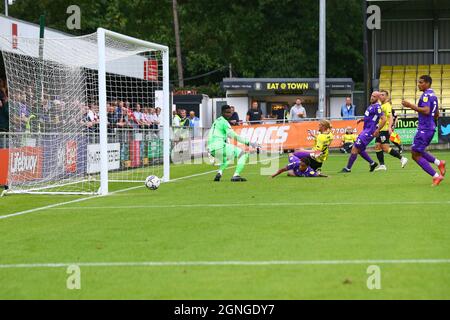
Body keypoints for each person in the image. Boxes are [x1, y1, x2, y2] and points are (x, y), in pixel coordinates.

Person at [402, 75, 446, 186]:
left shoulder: (426, 95)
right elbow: (436, 114)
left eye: (421, 82)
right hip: (429, 127)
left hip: (424, 129)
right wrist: (430, 122)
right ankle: (439, 163)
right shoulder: (434, 95)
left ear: (427, 83)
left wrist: (410, 105)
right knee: (418, 151)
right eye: (418, 82)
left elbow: (426, 111)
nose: (419, 84)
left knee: (415, 155)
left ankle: (436, 176)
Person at [207, 105, 258, 182]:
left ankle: (219, 173)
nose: (229, 114)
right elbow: (233, 135)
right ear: (222, 113)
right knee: (243, 154)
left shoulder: (217, 121)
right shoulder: (225, 122)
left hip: (211, 148)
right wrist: (248, 142)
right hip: (219, 145)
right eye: (227, 112)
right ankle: (236, 175)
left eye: (230, 112)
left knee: (228, 158)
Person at [340, 91, 386, 173]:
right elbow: (370, 117)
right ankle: (372, 163)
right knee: (359, 148)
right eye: (372, 95)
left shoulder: (377, 107)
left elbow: (384, 119)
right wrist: (362, 119)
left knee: (355, 147)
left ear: (378, 98)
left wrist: (377, 130)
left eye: (374, 96)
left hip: (370, 131)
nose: (372, 97)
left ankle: (348, 168)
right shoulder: (371, 106)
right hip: (366, 130)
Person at [374, 90, 408, 171]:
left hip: (384, 130)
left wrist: (389, 127)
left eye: (382, 95)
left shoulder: (387, 105)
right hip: (380, 129)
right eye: (380, 95)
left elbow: (390, 117)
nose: (380, 96)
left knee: (385, 148)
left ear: (386, 97)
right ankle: (382, 165)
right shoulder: (381, 105)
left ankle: (402, 158)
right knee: (377, 146)